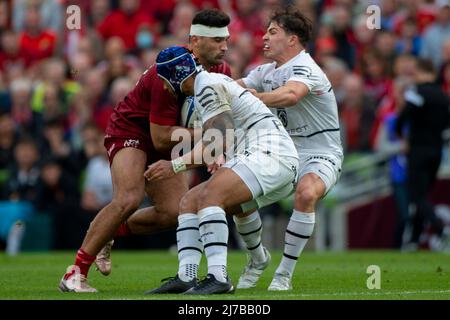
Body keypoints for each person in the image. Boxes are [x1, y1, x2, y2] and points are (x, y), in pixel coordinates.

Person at [58, 9, 232, 293]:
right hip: (132, 130)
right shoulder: (170, 70)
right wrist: (211, 137)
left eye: (226, 39)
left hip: (170, 136)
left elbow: (218, 120)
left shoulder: (223, 72)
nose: (224, 46)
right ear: (195, 41)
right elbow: (161, 138)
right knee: (128, 198)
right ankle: (75, 273)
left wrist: (217, 147)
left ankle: (108, 232)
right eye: (216, 41)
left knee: (174, 211)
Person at [145, 45, 299, 294]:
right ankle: (187, 275)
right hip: (262, 155)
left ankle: (219, 277)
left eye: (164, 80)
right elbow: (223, 138)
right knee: (189, 201)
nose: (164, 87)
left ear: (176, 75)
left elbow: (217, 142)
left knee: (211, 197)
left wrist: (173, 165)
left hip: (271, 154)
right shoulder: (208, 84)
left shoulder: (206, 86)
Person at [236, 6, 344, 290]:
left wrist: (257, 98)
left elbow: (292, 94)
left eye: (272, 32)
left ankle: (283, 274)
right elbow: (235, 87)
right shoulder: (265, 71)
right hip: (284, 154)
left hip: (321, 152)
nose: (264, 39)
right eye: (264, 32)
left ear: (293, 39)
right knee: (238, 199)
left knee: (307, 193)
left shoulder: (305, 68)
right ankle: (257, 257)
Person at [396, 58, 450, 252]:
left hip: (418, 150)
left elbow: (403, 117)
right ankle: (414, 240)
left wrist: (403, 136)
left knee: (416, 195)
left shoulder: (416, 92)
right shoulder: (444, 96)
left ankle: (440, 227)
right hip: (437, 152)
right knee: (423, 195)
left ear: (420, 72)